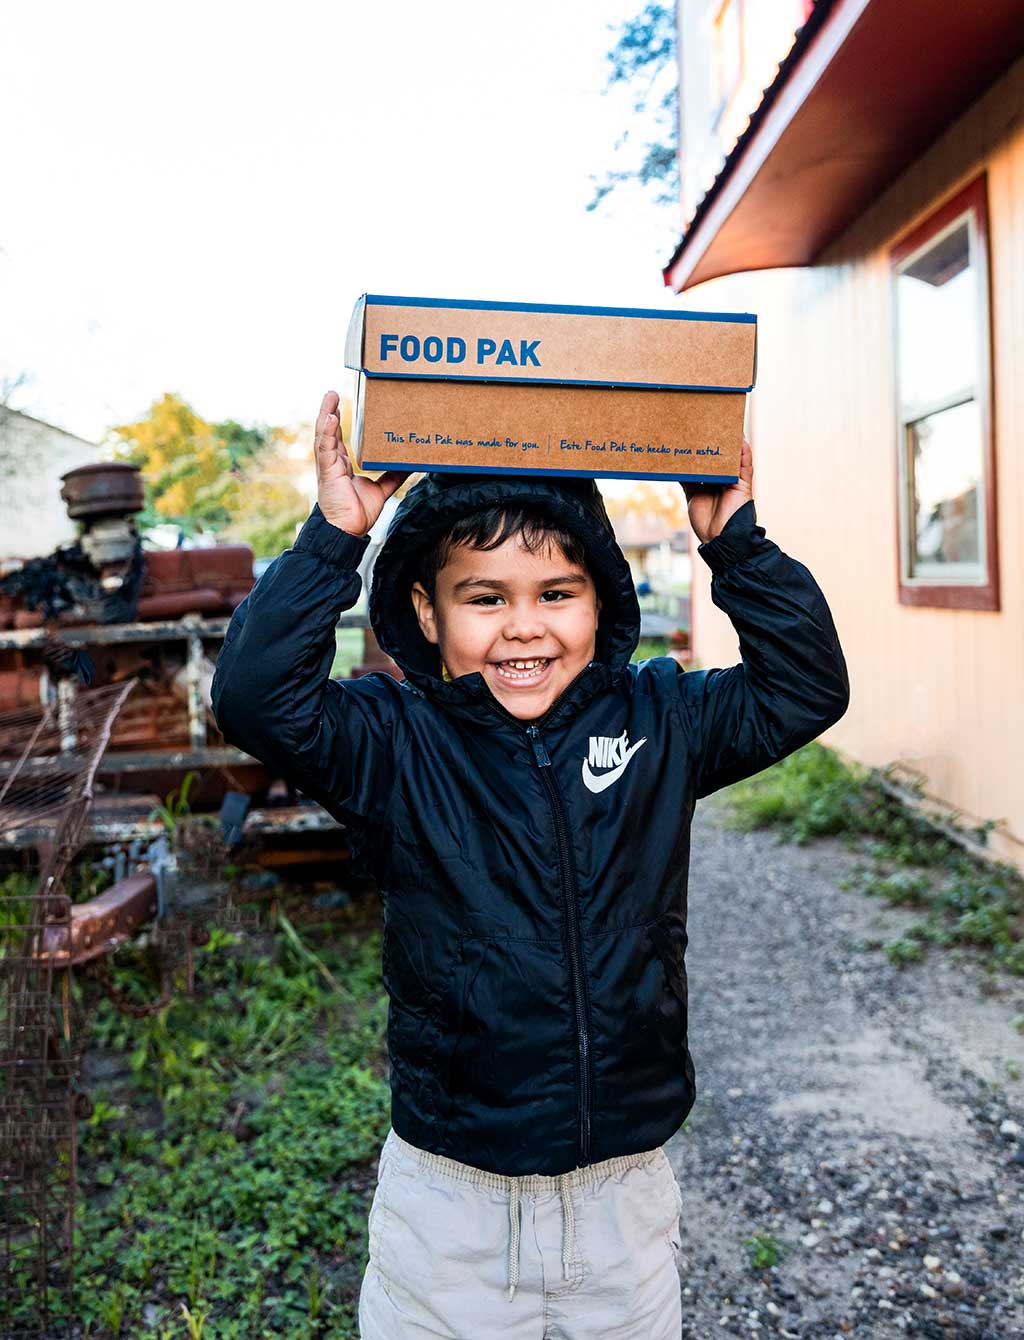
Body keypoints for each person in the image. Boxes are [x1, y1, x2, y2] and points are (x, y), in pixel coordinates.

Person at [211, 389, 850, 1338]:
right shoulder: (393, 744)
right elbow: (255, 699)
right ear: (427, 612)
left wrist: (737, 546)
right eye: (485, 598)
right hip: (451, 1206)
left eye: (556, 594)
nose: (523, 627)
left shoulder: (661, 719)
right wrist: (338, 534)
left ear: (602, 600)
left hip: (622, 1197)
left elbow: (805, 688)